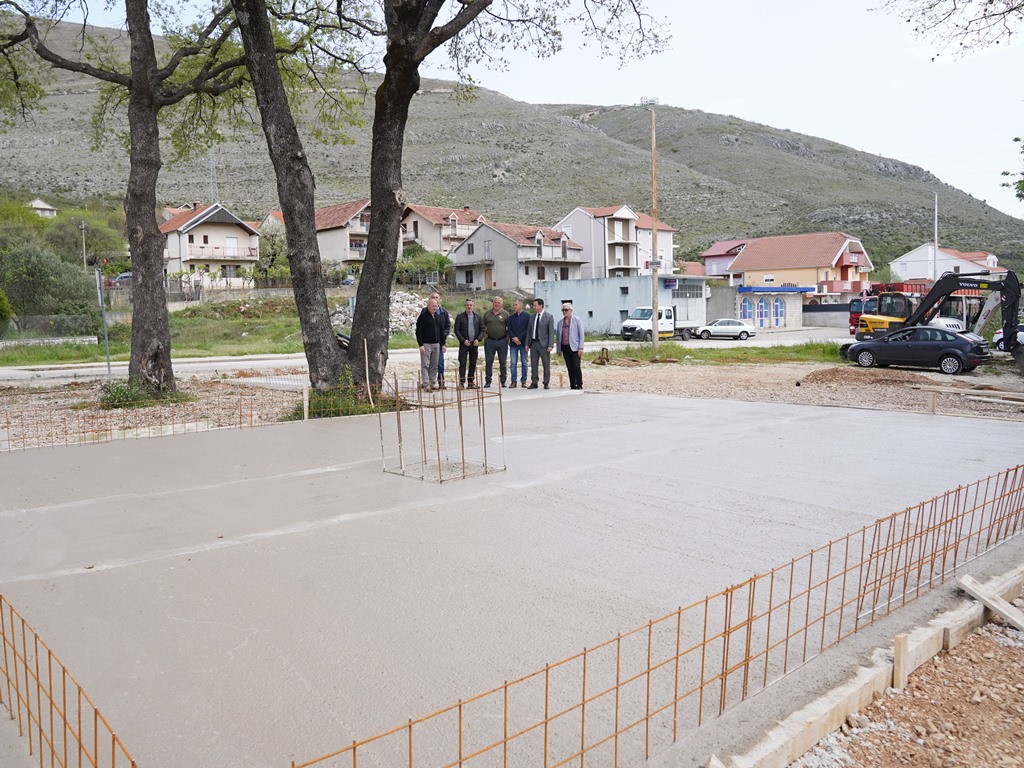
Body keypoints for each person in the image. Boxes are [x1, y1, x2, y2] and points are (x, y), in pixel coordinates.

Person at [415, 297, 446, 390]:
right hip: (426, 344)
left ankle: (432, 383)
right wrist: (420, 344)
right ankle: (426, 384)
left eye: (436, 306)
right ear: (428, 306)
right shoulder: (423, 317)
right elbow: (418, 331)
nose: (435, 308)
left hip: (436, 344)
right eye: (433, 306)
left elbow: (441, 332)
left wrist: (443, 344)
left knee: (434, 364)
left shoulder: (439, 317)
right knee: (425, 364)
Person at [454, 298, 484, 388]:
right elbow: (457, 330)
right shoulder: (460, 317)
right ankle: (461, 383)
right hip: (464, 344)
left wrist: (478, 339)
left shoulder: (478, 317)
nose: (469, 307)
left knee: (473, 363)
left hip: (474, 344)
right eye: (467, 305)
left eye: (471, 305)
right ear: (465, 306)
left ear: (473, 306)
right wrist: (463, 340)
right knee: (462, 363)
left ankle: (471, 382)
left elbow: (482, 329)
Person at [555, 302, 585, 390]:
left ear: (571, 310)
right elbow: (558, 337)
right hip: (565, 347)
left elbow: (581, 334)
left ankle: (579, 383)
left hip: (575, 347)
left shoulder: (577, 320)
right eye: (563, 310)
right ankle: (572, 384)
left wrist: (581, 348)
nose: (564, 312)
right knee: (569, 367)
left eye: (566, 310)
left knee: (576, 366)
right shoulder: (560, 322)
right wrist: (558, 349)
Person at [482, 296, 510, 388]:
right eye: (495, 302)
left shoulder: (505, 314)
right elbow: (482, 325)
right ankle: (488, 381)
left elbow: (509, 327)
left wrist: (507, 337)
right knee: (489, 362)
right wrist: (484, 335)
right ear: (493, 303)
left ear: (501, 304)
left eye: (498, 303)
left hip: (502, 341)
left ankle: (503, 381)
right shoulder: (487, 314)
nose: (496, 304)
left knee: (503, 362)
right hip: (490, 341)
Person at [526, 298, 554, 389]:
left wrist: (550, 345)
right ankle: (534, 382)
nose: (534, 307)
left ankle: (546, 382)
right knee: (534, 364)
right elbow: (529, 331)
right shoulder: (531, 316)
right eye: (533, 305)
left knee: (546, 364)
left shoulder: (549, 317)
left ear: (541, 305)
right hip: (533, 343)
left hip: (544, 345)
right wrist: (527, 343)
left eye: (535, 305)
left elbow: (551, 332)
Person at [429, 291, 451, 388]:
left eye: (437, 297)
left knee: (440, 363)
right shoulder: (425, 311)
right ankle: (430, 382)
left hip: (440, 341)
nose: (435, 299)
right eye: (433, 297)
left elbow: (448, 326)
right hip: (429, 342)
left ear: (439, 299)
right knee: (429, 363)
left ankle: (441, 381)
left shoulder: (443, 312)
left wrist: (444, 336)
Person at [507, 298, 529, 388]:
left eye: (516, 305)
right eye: (514, 305)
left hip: (523, 343)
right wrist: (514, 338)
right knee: (513, 363)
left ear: (521, 305)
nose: (514, 306)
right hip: (513, 343)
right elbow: (510, 329)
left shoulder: (528, 316)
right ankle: (513, 381)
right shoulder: (511, 318)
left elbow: (527, 329)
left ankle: (523, 381)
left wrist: (519, 338)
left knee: (524, 362)